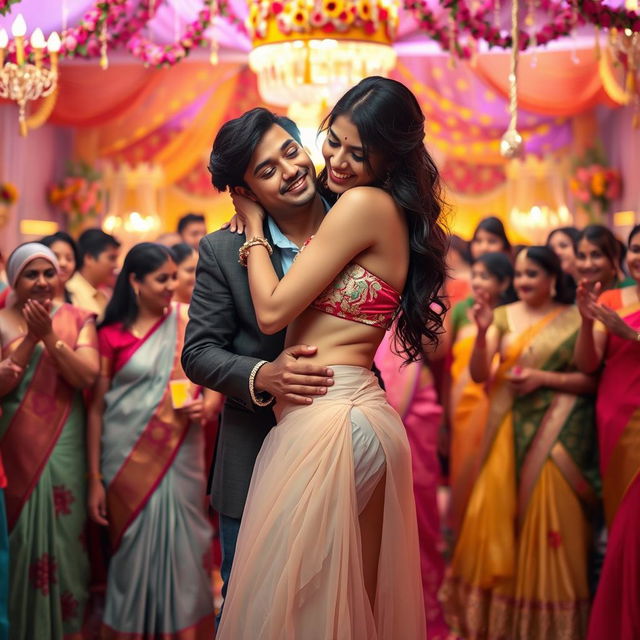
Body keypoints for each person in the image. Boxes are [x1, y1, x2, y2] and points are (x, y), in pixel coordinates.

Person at [215, 76, 447, 638]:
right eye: (333, 141)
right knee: (345, 608)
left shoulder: (364, 204)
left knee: (292, 612)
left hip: (330, 417)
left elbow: (272, 311)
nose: (337, 162)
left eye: (358, 152)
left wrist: (251, 231)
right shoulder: (377, 207)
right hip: (355, 413)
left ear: (391, 156)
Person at [181, 108, 336, 623]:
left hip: (342, 441)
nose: (289, 170)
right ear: (243, 192)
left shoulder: (354, 220)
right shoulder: (224, 251)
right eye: (265, 170)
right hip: (253, 455)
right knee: (255, 610)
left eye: (290, 151)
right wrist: (261, 376)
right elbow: (198, 352)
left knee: (336, 606)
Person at [441, 246, 599, 639]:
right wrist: (480, 334)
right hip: (506, 434)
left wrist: (543, 379)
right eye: (521, 274)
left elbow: (589, 377)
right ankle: (499, 626)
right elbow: (480, 376)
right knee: (501, 525)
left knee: (551, 527)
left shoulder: (570, 317)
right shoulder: (501, 318)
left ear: (552, 278)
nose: (525, 281)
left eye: (534, 274)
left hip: (559, 436)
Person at [87, 243, 215, 638]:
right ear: (135, 282)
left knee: (186, 545)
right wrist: (94, 477)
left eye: (174, 276)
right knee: (131, 553)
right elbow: (95, 409)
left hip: (182, 452)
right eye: (163, 278)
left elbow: (214, 370)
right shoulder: (109, 336)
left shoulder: (189, 320)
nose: (173, 285)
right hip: (124, 461)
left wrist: (210, 403)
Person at [0, 243, 99, 639]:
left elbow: (87, 376)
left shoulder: (78, 318)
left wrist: (50, 337)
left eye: (48, 273)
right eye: (31, 274)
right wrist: (32, 337)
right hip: (15, 446)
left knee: (66, 540)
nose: (42, 282)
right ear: (15, 280)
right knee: (20, 541)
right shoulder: (2, 322)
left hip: (65, 445)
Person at [574, 225, 640, 640]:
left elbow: (626, 338)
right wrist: (586, 322)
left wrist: (631, 334)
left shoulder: (620, 314)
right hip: (615, 416)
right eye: (636, 249)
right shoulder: (614, 299)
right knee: (622, 525)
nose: (639, 258)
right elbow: (588, 363)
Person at [446, 252, 516, 536]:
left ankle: (489, 540)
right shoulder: (462, 310)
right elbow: (450, 364)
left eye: (485, 276)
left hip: (497, 404)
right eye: (475, 274)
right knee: (462, 470)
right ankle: (462, 542)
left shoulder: (512, 314)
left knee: (493, 474)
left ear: (503, 282)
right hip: (463, 403)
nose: (477, 282)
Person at [66, 229, 121, 321]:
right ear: (89, 258)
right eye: (111, 258)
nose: (116, 265)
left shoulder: (104, 294)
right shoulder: (70, 293)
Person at [574, 224, 633, 293]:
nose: (588, 264)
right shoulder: (578, 295)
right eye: (581, 256)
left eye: (596, 256)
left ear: (614, 257)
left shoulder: (631, 290)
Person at [40, 231, 79, 304]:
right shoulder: (31, 300)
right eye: (55, 256)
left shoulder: (78, 299)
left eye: (69, 258)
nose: (63, 263)